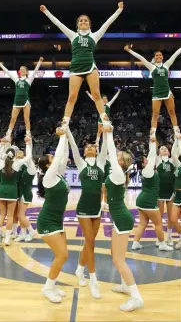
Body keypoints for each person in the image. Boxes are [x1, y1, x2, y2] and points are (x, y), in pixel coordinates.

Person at [40, 3, 123, 130]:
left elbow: (108, 23)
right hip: (75, 69)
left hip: (90, 67)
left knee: (96, 94)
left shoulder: (94, 36)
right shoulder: (73, 35)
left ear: (89, 24)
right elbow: (58, 23)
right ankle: (65, 122)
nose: (83, 22)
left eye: (86, 20)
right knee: (72, 96)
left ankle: (105, 119)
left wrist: (119, 10)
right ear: (77, 24)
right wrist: (46, 11)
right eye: (81, 20)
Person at [105, 128, 144, 312]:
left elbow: (111, 151)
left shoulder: (118, 172)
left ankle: (136, 297)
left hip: (121, 219)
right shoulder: (117, 173)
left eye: (117, 156)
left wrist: (108, 132)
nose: (115, 156)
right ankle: (124, 285)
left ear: (120, 161)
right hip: (120, 217)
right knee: (115, 255)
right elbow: (109, 152)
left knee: (119, 260)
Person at [66, 126, 107, 299]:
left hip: (97, 209)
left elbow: (105, 145)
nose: (91, 148)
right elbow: (74, 146)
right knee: (90, 243)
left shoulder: (102, 162)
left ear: (97, 152)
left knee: (90, 243)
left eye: (93, 147)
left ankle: (79, 269)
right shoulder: (81, 163)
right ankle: (93, 280)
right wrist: (68, 130)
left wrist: (105, 127)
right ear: (84, 152)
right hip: (83, 208)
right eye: (87, 147)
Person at [37, 130, 70, 303]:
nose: (54, 159)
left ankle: (52, 284)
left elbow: (63, 156)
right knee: (62, 255)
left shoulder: (57, 174)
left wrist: (66, 132)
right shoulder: (48, 177)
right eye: (51, 158)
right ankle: (47, 288)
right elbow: (58, 157)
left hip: (58, 220)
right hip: (47, 221)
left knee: (63, 255)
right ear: (48, 165)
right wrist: (62, 136)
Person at [124, 44, 181, 138]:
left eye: (160, 55)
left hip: (167, 92)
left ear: (162, 57)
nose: (159, 56)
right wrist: (129, 51)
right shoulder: (152, 67)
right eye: (157, 55)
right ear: (154, 58)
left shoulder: (166, 65)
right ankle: (153, 134)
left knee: (172, 112)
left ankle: (176, 132)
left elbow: (175, 54)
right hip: (156, 93)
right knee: (155, 114)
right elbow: (141, 58)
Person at [132, 139, 173, 251]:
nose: (147, 160)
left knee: (142, 224)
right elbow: (152, 155)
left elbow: (151, 157)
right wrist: (153, 143)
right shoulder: (148, 170)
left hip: (141, 200)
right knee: (158, 223)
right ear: (144, 163)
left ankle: (135, 243)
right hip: (148, 201)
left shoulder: (144, 171)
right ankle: (162, 244)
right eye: (146, 160)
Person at [0, 137, 32, 246]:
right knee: (10, 216)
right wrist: (28, 144)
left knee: (1, 215)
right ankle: (6, 239)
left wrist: (1, 144)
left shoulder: (0, 162)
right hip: (12, 191)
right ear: (14, 155)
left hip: (1, 190)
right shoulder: (17, 163)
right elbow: (28, 157)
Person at [0, 57, 44, 141]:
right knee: (13, 119)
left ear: (26, 71)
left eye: (23, 69)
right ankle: (8, 135)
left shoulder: (29, 80)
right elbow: (7, 72)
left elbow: (35, 71)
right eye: (20, 69)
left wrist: (40, 62)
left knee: (26, 118)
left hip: (25, 101)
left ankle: (28, 134)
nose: (21, 70)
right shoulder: (16, 80)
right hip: (17, 101)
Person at [14, 142, 37, 242]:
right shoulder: (16, 164)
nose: (19, 153)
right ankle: (23, 234)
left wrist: (28, 143)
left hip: (25, 193)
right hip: (19, 192)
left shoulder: (28, 167)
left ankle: (31, 231)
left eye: (21, 152)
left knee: (20, 215)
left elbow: (29, 156)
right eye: (17, 152)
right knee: (20, 215)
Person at [156, 145, 175, 246]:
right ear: (159, 152)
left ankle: (169, 236)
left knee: (171, 216)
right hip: (160, 191)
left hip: (170, 191)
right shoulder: (158, 160)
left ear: (169, 152)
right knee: (159, 216)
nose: (164, 150)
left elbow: (176, 150)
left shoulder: (172, 160)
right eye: (162, 149)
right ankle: (159, 237)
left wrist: (177, 139)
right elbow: (152, 149)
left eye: (166, 149)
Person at [171, 137, 181, 250]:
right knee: (173, 219)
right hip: (177, 195)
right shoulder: (179, 165)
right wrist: (176, 139)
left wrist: (180, 140)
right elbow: (174, 154)